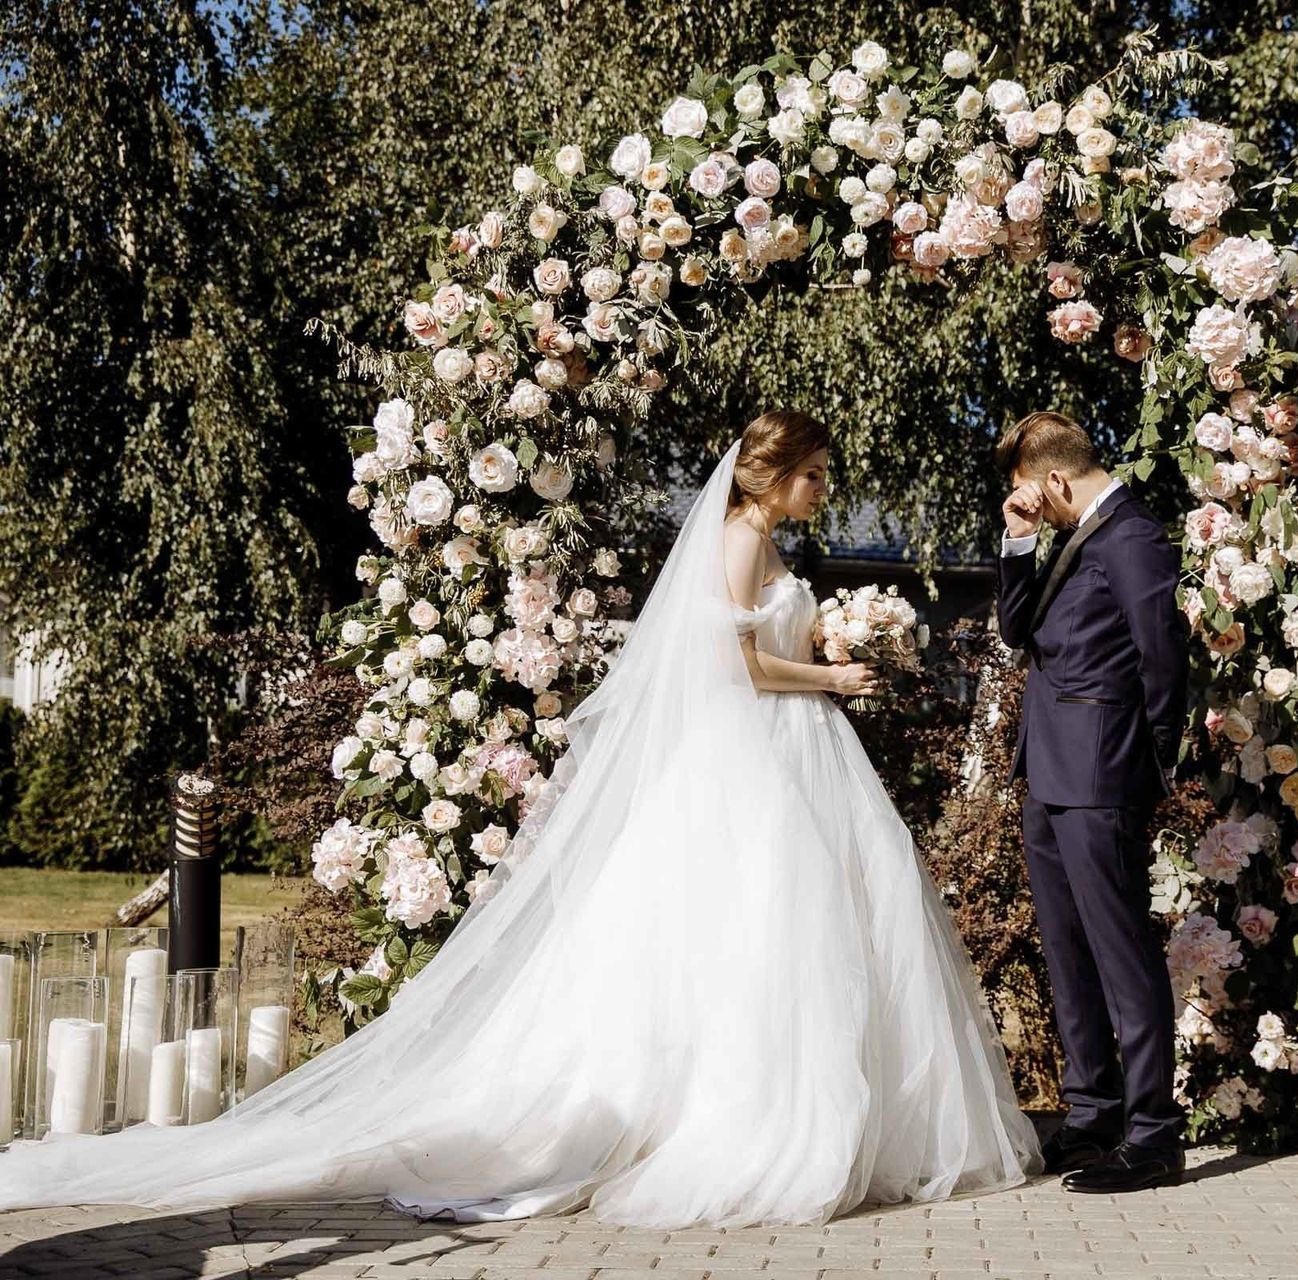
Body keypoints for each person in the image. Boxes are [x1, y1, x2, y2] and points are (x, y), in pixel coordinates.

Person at [0, 411, 1042, 1224]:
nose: (825, 488)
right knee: (751, 932)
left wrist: (835, 658)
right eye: (816, 472)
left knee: (811, 931)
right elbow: (731, 661)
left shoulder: (769, 547)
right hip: (752, 757)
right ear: (776, 473)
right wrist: (827, 672)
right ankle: (729, 1120)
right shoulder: (733, 539)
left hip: (796, 757)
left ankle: (834, 1120)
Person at [995, 411, 1188, 1194]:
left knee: (1122, 953)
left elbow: (1163, 662)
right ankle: (1093, 1111)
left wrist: (1147, 772)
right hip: (1045, 772)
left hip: (1103, 778)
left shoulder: (1133, 538)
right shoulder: (1069, 537)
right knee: (1067, 950)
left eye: (1026, 495)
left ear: (1055, 481)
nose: (1030, 506)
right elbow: (1017, 630)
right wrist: (1016, 542)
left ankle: (1153, 1135)